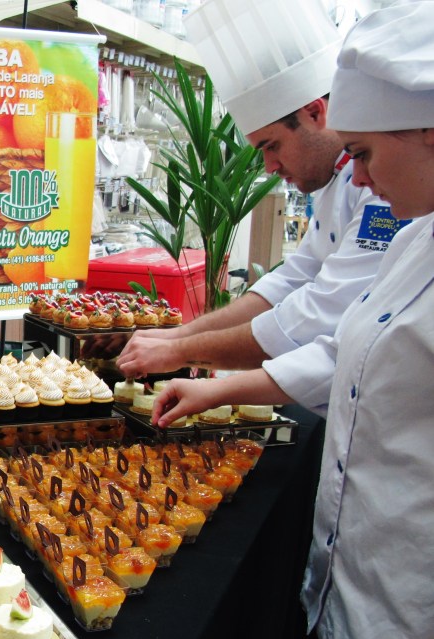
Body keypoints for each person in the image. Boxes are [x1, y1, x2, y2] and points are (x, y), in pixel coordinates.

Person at [153, 4, 434, 639]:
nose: (359, 179)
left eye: (366, 153)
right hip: (370, 600)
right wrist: (212, 380)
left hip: (412, 624)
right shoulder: (416, 238)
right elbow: (340, 344)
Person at [115, 0, 406, 382]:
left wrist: (180, 350)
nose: (269, 167)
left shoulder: (383, 190)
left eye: (272, 146)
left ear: (315, 113)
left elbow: (319, 310)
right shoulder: (332, 181)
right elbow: (289, 282)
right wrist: (176, 335)